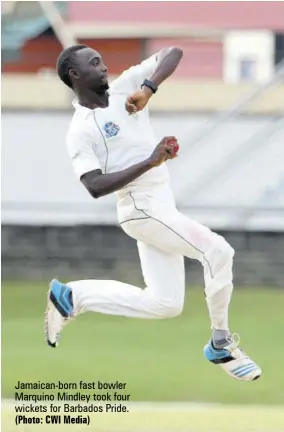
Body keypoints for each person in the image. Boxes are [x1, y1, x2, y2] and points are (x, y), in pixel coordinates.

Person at [45, 44, 261, 382]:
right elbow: (95, 186)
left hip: (161, 204)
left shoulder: (124, 90)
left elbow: (172, 53)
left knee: (166, 304)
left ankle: (73, 295)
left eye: (103, 60)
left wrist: (147, 89)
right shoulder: (81, 129)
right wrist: (151, 161)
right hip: (141, 208)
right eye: (95, 63)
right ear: (75, 74)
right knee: (219, 251)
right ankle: (220, 343)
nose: (104, 67)